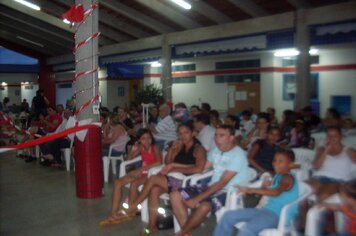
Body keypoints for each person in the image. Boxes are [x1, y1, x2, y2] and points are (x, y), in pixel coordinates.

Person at [110, 122, 206, 234]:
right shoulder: (181, 146)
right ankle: (152, 226)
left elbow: (199, 169)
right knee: (154, 190)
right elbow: (168, 163)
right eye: (180, 133)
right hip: (173, 179)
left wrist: (176, 168)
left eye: (186, 132)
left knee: (153, 179)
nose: (183, 136)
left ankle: (133, 207)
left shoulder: (198, 149)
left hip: (186, 182)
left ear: (193, 133)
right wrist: (172, 151)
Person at [170, 125, 249, 236]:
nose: (217, 139)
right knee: (175, 195)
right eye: (216, 135)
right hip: (211, 186)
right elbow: (201, 167)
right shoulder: (216, 151)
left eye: (222, 135)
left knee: (204, 206)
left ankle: (180, 233)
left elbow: (221, 183)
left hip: (228, 191)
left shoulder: (238, 155)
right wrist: (175, 164)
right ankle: (186, 233)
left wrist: (196, 199)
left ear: (231, 138)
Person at [213, 149, 299, 236]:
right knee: (228, 216)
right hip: (264, 210)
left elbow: (276, 192)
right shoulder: (278, 176)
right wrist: (264, 186)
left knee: (248, 230)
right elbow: (266, 193)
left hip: (277, 216)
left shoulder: (287, 178)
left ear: (290, 165)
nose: (276, 163)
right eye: (274, 160)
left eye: (280, 161)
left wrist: (250, 190)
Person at [100, 129, 162, 225]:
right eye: (144, 138)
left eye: (149, 138)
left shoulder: (155, 148)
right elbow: (129, 160)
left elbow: (159, 162)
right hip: (143, 171)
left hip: (152, 173)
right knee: (117, 182)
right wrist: (132, 151)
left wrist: (140, 170)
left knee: (134, 183)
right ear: (139, 140)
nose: (147, 141)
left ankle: (130, 211)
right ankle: (113, 212)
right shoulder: (140, 147)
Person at [308, 127, 355, 201]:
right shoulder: (322, 149)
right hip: (319, 177)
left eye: (335, 135)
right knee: (304, 190)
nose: (332, 138)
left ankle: (315, 210)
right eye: (329, 135)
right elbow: (316, 167)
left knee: (323, 195)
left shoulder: (348, 150)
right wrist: (326, 150)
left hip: (337, 180)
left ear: (340, 137)